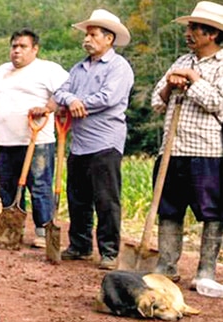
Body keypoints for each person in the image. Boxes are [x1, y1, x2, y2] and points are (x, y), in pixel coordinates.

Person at [50, 9, 135, 270]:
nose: (87, 38)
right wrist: (71, 100)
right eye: (87, 34)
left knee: (106, 199)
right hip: (80, 142)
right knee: (78, 197)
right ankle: (80, 245)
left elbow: (108, 97)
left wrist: (79, 102)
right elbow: (61, 91)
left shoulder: (119, 67)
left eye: (93, 34)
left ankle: (109, 251)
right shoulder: (78, 68)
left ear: (109, 39)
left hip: (106, 141)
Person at [150, 1, 223, 291]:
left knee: (212, 212)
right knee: (169, 209)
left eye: (195, 28)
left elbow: (217, 102)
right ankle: (166, 267)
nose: (188, 33)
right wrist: (170, 84)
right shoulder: (180, 61)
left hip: (207, 151)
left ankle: (206, 271)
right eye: (189, 27)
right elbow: (157, 102)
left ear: (213, 34)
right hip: (172, 149)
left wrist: (193, 81)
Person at [0, 29, 69, 249]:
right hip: (6, 140)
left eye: (22, 46)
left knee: (39, 185)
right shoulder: (2, 70)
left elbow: (66, 90)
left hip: (37, 139)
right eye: (14, 46)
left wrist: (48, 108)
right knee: (7, 185)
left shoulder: (47, 69)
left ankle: (42, 230)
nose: (17, 51)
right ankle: (13, 230)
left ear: (35, 49)